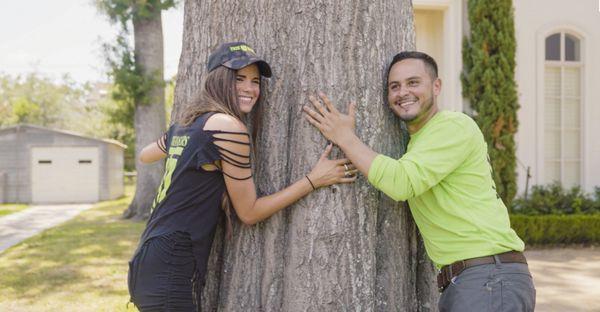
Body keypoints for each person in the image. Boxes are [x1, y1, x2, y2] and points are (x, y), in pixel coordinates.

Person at [128, 42, 358, 311]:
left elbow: (145, 155)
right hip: (169, 267)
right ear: (218, 80)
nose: (250, 89)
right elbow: (249, 212)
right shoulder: (228, 127)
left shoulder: (186, 126)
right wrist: (312, 180)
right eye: (239, 79)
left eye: (255, 81)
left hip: (148, 260)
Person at [303, 51, 535, 311]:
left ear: (436, 86)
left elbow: (401, 182)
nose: (403, 92)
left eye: (413, 82)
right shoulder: (419, 142)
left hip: (488, 279)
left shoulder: (453, 126)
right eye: (395, 86)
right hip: (476, 281)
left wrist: (345, 138)